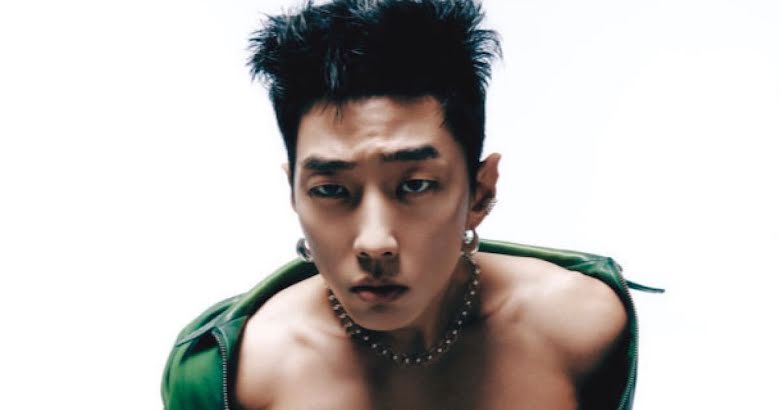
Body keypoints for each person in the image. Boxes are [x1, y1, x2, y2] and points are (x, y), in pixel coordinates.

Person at [162, 0, 660, 408]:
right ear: (294, 192)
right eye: (331, 190)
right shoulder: (240, 374)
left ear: (481, 192)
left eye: (416, 186)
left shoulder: (582, 324)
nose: (375, 241)